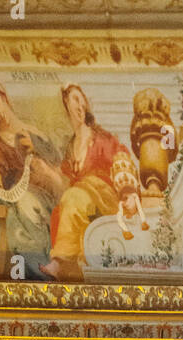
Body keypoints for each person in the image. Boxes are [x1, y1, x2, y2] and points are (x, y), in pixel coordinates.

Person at [0, 75, 64, 276]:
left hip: (43, 192)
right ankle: (31, 273)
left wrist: (43, 168)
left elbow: (56, 169)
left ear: (5, 97)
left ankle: (43, 269)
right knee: (14, 208)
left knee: (31, 206)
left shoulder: (33, 131)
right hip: (14, 194)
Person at [41, 83, 131, 280]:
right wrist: (48, 173)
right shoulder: (69, 147)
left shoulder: (101, 139)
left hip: (105, 198)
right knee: (65, 204)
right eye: (75, 101)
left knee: (73, 197)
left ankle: (60, 261)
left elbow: (121, 159)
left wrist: (128, 192)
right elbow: (65, 183)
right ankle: (76, 265)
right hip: (82, 201)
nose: (81, 106)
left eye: (83, 102)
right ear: (65, 106)